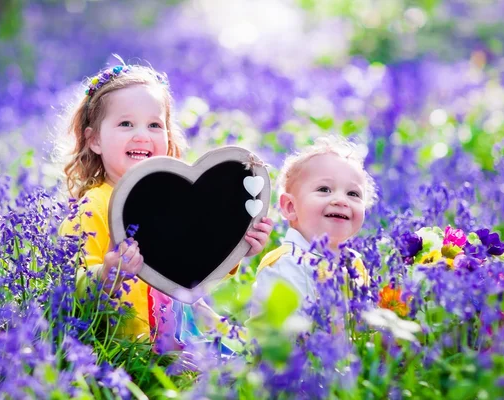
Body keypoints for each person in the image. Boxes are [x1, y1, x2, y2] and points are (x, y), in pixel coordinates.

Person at [58, 58, 273, 350]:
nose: (142, 135)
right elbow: (70, 285)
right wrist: (106, 274)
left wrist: (239, 246)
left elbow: (196, 258)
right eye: (125, 123)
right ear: (94, 140)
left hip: (187, 331)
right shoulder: (91, 207)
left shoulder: (173, 199)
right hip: (133, 349)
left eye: (154, 125)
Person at [253, 136, 377, 311]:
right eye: (324, 189)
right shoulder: (285, 264)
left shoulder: (355, 264)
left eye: (353, 194)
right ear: (290, 207)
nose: (341, 200)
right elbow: (282, 334)